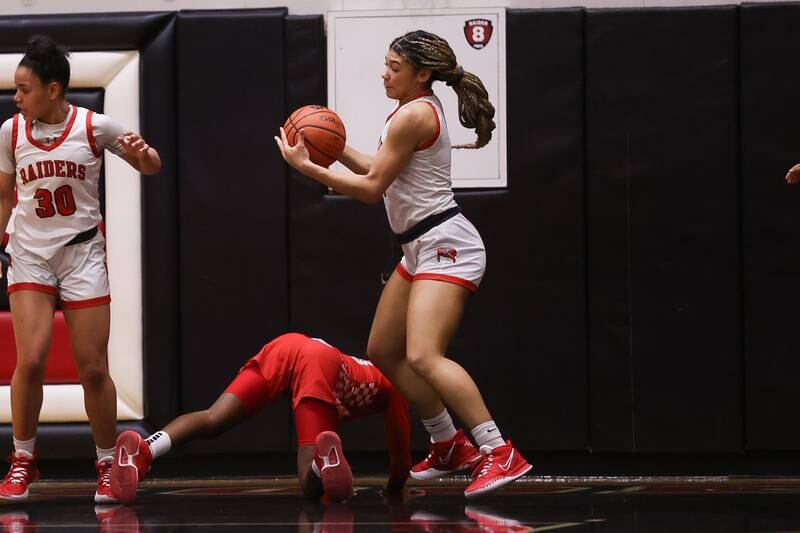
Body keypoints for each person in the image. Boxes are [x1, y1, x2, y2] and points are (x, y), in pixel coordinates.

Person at [274, 30, 530, 499]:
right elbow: (380, 170)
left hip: (446, 243)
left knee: (424, 356)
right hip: (420, 247)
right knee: (384, 351)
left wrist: (307, 167)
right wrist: (330, 148)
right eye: (386, 63)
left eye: (394, 66)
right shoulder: (410, 112)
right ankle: (447, 442)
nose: (384, 73)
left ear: (422, 74)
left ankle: (498, 450)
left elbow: (371, 190)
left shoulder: (413, 115)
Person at [0, 35, 161, 502]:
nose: (16, 97)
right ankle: (23, 461)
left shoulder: (95, 127)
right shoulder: (11, 132)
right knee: (30, 360)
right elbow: (5, 195)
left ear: (53, 90)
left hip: (81, 254)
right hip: (30, 253)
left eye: (24, 89)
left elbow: (151, 166)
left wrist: (142, 152)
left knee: (93, 369)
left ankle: (107, 464)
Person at [110, 333, 411, 505]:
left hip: (289, 345)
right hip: (320, 365)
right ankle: (322, 464)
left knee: (214, 418)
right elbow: (400, 451)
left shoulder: (369, 366)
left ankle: (144, 450)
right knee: (309, 484)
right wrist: (395, 489)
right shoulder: (394, 384)